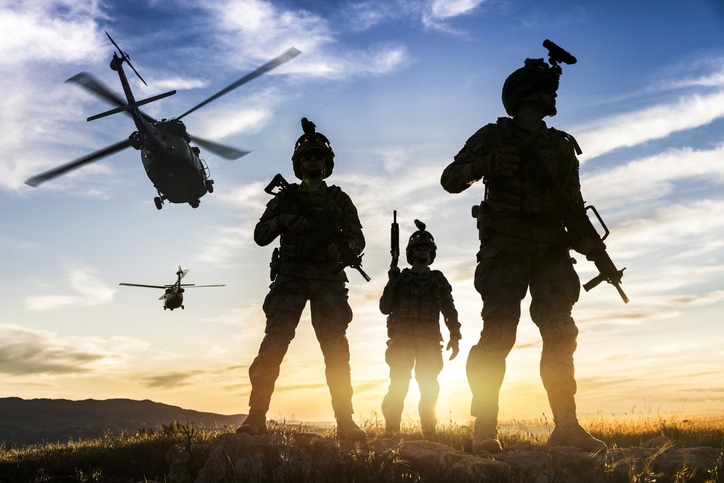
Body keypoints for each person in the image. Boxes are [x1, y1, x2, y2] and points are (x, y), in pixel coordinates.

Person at [440, 52, 607, 453]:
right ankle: (485, 428)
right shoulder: (493, 136)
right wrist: (486, 164)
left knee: (560, 333)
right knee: (498, 334)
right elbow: (450, 179)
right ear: (527, 95)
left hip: (551, 251)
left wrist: (589, 244)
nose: (554, 97)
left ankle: (566, 424)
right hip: (506, 248)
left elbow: (573, 204)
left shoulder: (561, 146)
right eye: (548, 90)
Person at [237, 117, 367, 441]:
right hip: (290, 277)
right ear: (298, 163)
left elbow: (358, 239)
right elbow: (260, 235)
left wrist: (342, 251)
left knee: (336, 349)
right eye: (308, 156)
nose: (313, 160)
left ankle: (346, 421)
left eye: (319, 157)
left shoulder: (339, 200)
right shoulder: (285, 198)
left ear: (327, 163)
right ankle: (255, 416)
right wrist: (284, 219)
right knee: (274, 345)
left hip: (328, 280)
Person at [379, 220, 461, 437]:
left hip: (429, 340)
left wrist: (455, 335)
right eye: (418, 248)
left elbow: (449, 310)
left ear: (431, 253)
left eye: (426, 248)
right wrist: (392, 282)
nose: (422, 251)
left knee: (429, 386)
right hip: (402, 339)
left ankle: (429, 432)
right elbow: (385, 308)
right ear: (411, 252)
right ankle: (392, 431)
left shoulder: (438, 280)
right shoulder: (401, 278)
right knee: (399, 384)